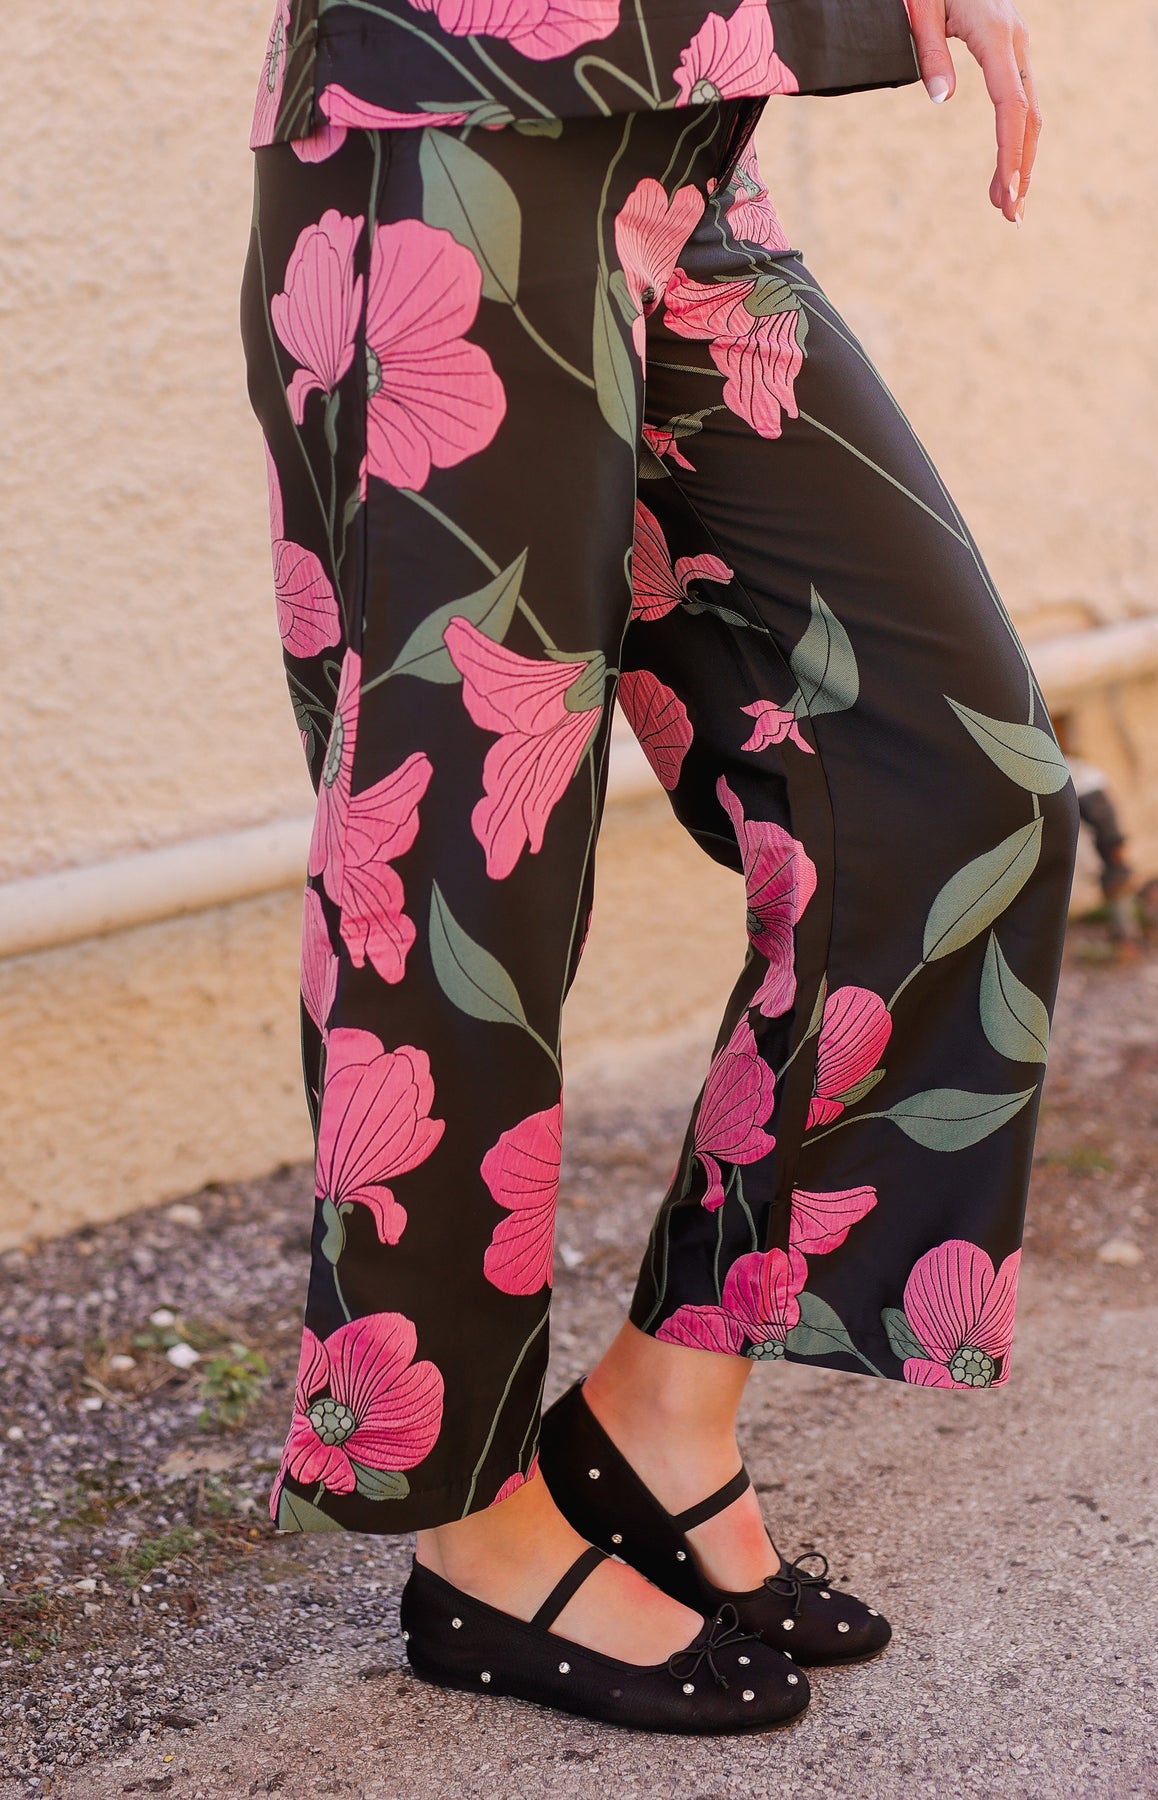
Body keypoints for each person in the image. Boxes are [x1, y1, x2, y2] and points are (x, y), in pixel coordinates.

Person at [240, 0, 1077, 1734]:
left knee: (951, 773)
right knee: (470, 840)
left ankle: (657, 1411)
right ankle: (467, 1516)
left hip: (686, 138)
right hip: (453, 111)